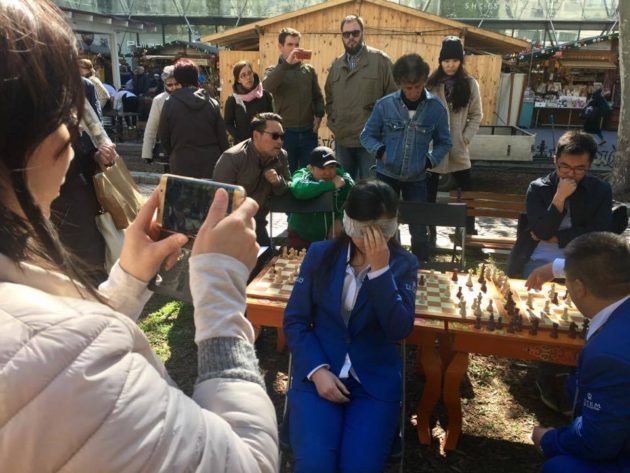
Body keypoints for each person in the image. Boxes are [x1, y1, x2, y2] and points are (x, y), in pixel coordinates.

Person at [0, 1, 278, 472]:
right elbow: (247, 463)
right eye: (67, 110)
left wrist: (128, 281)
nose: (75, 132)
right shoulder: (73, 363)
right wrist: (221, 287)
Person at [283, 179, 418, 473]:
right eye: (362, 230)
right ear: (348, 221)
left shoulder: (404, 264)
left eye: (382, 230)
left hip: (373, 383)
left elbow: (399, 329)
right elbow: (295, 320)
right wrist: (317, 371)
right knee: (315, 465)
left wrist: (380, 271)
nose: (371, 239)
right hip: (320, 375)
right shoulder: (320, 255)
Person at [528, 233, 630, 473]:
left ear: (578, 288)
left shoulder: (608, 355)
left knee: (558, 467)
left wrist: (548, 439)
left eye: (568, 282)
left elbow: (596, 444)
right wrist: (556, 268)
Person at [360, 53, 452, 263]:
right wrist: (381, 151)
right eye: (408, 88)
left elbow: (445, 142)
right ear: (399, 83)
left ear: (424, 81)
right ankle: (387, 265)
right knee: (385, 225)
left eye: (418, 87)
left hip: (417, 178)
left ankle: (420, 268)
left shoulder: (436, 108)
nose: (413, 92)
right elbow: (366, 135)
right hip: (386, 175)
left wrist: (429, 161)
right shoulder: (384, 105)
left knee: (419, 228)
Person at [507, 130, 612, 278]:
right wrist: (559, 197)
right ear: (555, 160)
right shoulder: (538, 188)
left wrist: (558, 238)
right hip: (538, 259)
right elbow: (541, 232)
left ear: (589, 165)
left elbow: (600, 233)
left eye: (579, 168)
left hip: (579, 263)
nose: (570, 173)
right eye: (565, 166)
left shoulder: (600, 190)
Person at [50, 77, 116, 285]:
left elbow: (95, 136)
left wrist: (99, 154)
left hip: (76, 191)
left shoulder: (80, 85)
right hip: (42, 197)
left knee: (86, 266)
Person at [325, 15, 397, 181]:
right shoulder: (336, 65)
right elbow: (329, 98)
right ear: (342, 36)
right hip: (343, 140)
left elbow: (395, 98)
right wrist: (334, 122)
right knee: (343, 188)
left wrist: (383, 127)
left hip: (371, 141)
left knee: (371, 189)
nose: (351, 37)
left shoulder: (380, 61)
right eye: (346, 34)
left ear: (363, 33)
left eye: (355, 33)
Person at [426, 36, 482, 236]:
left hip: (459, 146)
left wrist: (465, 138)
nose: (450, 65)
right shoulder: (431, 85)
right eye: (446, 60)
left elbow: (476, 115)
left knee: (466, 190)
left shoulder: (470, 84)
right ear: (440, 61)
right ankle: (428, 228)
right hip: (434, 147)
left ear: (461, 61)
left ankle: (468, 228)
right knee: (429, 191)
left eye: (455, 60)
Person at [213, 112, 291, 246]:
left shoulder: (281, 156)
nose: (279, 141)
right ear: (256, 135)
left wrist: (278, 182)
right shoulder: (233, 158)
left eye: (282, 136)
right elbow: (218, 201)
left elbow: (289, 187)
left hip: (258, 221)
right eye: (274, 136)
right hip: (230, 223)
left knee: (266, 255)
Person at [263, 28, 324, 173]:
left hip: (308, 133)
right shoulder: (273, 70)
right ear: (280, 46)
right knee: (286, 175)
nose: (294, 48)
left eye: (297, 45)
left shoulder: (308, 70)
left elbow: (317, 96)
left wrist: (319, 115)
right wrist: (286, 64)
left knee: (309, 175)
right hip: (285, 134)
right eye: (290, 45)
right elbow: (267, 86)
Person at [158, 58, 229, 178]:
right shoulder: (212, 103)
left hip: (181, 162)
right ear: (196, 76)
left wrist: (174, 152)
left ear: (178, 78)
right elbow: (222, 138)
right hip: (210, 162)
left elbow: (163, 136)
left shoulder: (170, 103)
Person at [287, 146, 354, 250]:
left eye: (331, 167)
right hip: (301, 236)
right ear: (311, 168)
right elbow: (298, 189)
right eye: (322, 168)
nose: (328, 172)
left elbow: (353, 201)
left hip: (331, 239)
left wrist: (340, 220)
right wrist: (330, 185)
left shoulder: (343, 178)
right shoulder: (302, 174)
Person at [225, 61, 274, 144]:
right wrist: (240, 138)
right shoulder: (233, 99)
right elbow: (228, 123)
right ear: (238, 80)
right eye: (243, 75)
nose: (248, 77)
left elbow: (271, 118)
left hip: (264, 143)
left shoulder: (265, 95)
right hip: (244, 145)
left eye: (249, 73)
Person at [141, 65, 180, 164]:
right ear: (164, 84)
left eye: (176, 84)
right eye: (169, 85)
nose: (173, 87)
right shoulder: (159, 100)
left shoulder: (187, 97)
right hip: (168, 148)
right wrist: (147, 153)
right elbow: (151, 127)